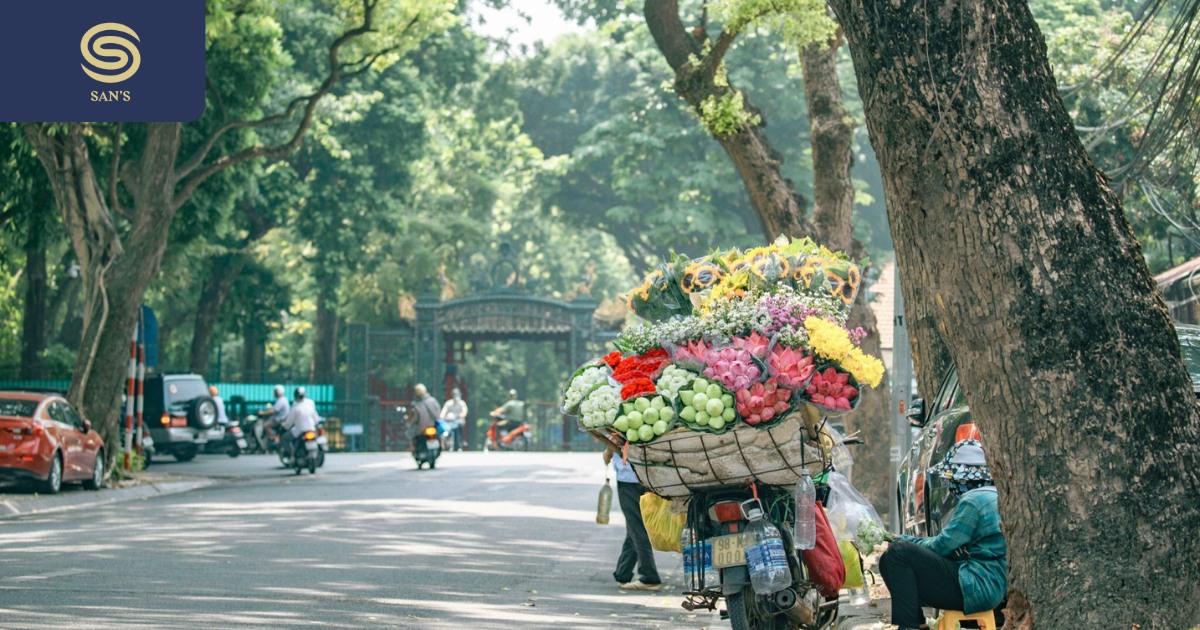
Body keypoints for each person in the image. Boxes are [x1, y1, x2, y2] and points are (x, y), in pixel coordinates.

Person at [879, 439, 1006, 630]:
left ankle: (910, 626)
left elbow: (943, 546)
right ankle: (918, 624)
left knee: (898, 552)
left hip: (976, 587)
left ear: (964, 478)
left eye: (953, 479)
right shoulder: (995, 495)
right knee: (887, 560)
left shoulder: (974, 500)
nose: (950, 485)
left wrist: (907, 540)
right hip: (990, 588)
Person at [603, 444, 662, 591]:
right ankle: (623, 573)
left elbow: (610, 447)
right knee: (634, 525)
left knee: (637, 526)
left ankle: (649, 576)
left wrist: (608, 451)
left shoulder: (617, 425)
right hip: (651, 476)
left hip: (629, 478)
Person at [281, 387, 319, 458]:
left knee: (284, 438)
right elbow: (316, 419)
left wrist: (285, 426)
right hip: (311, 429)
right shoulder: (310, 405)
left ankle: (292, 454)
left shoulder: (295, 407)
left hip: (299, 430)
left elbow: (288, 423)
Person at [409, 384, 441, 455]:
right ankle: (442, 444)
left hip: (421, 429)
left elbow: (415, 418)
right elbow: (438, 413)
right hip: (434, 426)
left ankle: (412, 448)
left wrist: (411, 423)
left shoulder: (417, 404)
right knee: (440, 436)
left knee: (411, 434)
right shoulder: (433, 401)